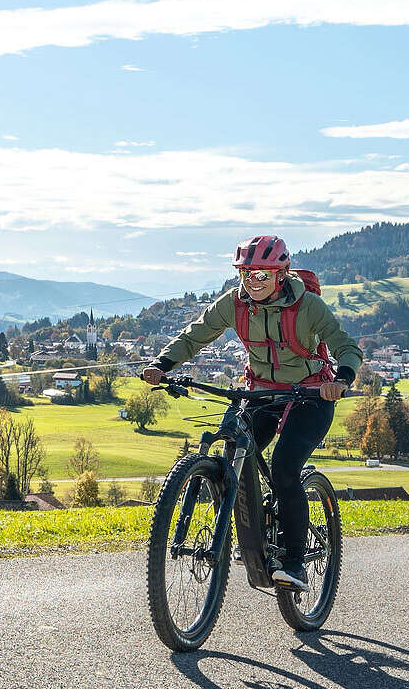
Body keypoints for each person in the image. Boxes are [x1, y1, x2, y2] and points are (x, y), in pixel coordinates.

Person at [141, 235, 360, 591]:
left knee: (285, 469)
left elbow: (344, 345)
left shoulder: (308, 307)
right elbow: (196, 334)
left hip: (311, 394)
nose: (253, 282)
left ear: (282, 272)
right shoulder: (235, 304)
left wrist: (342, 378)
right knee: (234, 456)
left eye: (262, 274)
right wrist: (162, 363)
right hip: (262, 392)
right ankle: (246, 533)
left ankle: (293, 560)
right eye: (246, 274)